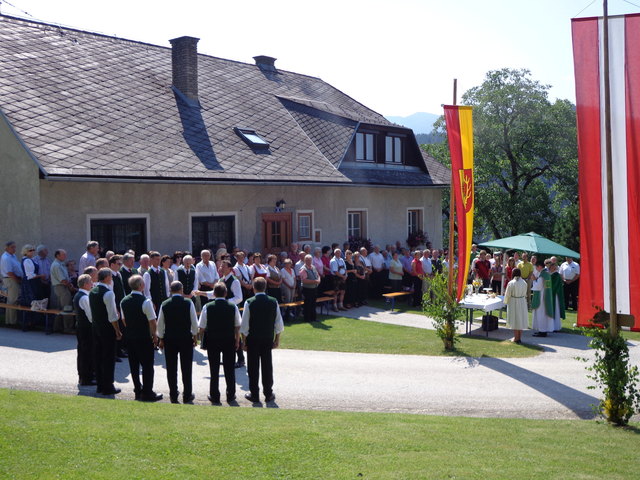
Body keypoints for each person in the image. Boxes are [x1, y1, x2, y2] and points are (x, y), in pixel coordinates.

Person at [240, 277, 284, 403]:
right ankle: (268, 393)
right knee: (267, 366)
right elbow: (278, 323)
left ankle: (254, 394)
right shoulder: (273, 301)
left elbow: (245, 325)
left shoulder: (249, 302)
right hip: (267, 338)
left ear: (254, 288)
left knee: (253, 367)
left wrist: (245, 341)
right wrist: (277, 339)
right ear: (265, 287)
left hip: (253, 338)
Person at [120, 275, 162, 402]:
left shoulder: (124, 301)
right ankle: (147, 392)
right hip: (144, 337)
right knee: (147, 366)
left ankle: (138, 390)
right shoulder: (145, 301)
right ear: (140, 286)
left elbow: (124, 319)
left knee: (134, 365)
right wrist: (155, 335)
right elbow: (152, 321)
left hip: (131, 337)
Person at [199, 282, 241, 404]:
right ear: (226, 293)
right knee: (229, 369)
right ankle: (231, 394)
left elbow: (201, 327)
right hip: (228, 340)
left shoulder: (207, 307)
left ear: (214, 294)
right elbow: (237, 326)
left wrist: (202, 340)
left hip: (213, 340)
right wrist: (237, 340)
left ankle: (214, 395)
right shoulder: (233, 306)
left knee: (214, 369)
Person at [157, 281, 198, 404]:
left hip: (170, 338)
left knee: (171, 368)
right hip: (185, 337)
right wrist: (195, 336)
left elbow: (160, 324)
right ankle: (187, 394)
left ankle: (173, 394)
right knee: (186, 368)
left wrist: (161, 338)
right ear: (181, 290)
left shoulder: (165, 304)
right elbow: (194, 322)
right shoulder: (188, 302)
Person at [89, 268, 123, 395]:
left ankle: (100, 385)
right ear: (107, 278)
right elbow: (112, 316)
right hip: (107, 329)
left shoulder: (93, 291)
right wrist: (118, 331)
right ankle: (108, 386)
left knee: (98, 356)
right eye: (110, 276)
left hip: (96, 328)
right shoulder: (108, 293)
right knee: (108, 358)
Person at [73, 274, 95, 386]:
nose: (92, 284)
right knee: (86, 353)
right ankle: (86, 378)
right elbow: (91, 317)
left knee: (83, 352)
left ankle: (85, 375)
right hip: (86, 328)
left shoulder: (79, 295)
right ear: (85, 284)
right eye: (90, 282)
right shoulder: (84, 297)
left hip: (81, 327)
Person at [51, 249, 76, 333]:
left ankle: (58, 327)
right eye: (63, 255)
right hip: (62, 287)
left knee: (60, 308)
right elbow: (63, 280)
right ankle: (67, 328)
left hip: (61, 287)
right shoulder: (57, 265)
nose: (65, 256)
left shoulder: (60, 264)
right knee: (67, 307)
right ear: (57, 255)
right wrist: (70, 286)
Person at [504, 268, 528, 344]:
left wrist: (506, 301)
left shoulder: (511, 283)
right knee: (520, 319)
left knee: (515, 319)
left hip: (514, 301)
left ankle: (516, 338)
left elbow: (508, 294)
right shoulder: (524, 282)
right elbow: (525, 293)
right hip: (522, 301)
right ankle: (519, 337)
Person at [1, 241, 22, 326]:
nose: (14, 249)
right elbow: (9, 272)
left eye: (15, 247)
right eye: (12, 247)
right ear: (7, 248)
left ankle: (10, 321)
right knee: (13, 301)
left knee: (11, 301)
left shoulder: (13, 256)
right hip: (11, 279)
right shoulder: (6, 257)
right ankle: (12, 322)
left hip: (12, 279)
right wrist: (17, 280)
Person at [531, 261, 554, 337]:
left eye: (536, 267)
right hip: (546, 296)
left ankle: (542, 331)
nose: (536, 269)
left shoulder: (542, 275)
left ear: (540, 266)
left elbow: (538, 287)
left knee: (541, 314)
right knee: (543, 314)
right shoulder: (547, 274)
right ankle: (542, 330)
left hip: (541, 297)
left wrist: (534, 279)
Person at [299, 254, 321, 321]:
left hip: (314, 288)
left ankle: (313, 318)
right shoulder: (303, 269)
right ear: (305, 260)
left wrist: (319, 280)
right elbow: (304, 280)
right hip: (307, 289)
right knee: (308, 304)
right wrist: (315, 281)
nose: (309, 261)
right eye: (307, 260)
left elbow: (317, 275)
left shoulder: (313, 267)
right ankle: (307, 319)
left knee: (313, 304)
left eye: (310, 260)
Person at [548, 260, 565, 332]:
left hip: (554, 295)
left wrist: (549, 290)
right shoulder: (549, 274)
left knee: (555, 310)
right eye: (551, 266)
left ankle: (555, 326)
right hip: (550, 294)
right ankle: (549, 325)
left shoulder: (556, 275)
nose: (552, 267)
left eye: (553, 266)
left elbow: (554, 285)